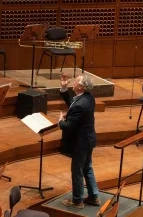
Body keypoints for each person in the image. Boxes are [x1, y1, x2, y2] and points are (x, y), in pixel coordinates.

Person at [58, 73, 100, 208]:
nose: (73, 83)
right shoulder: (88, 98)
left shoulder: (81, 104)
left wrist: (60, 122)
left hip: (80, 143)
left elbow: (69, 126)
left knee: (77, 171)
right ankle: (93, 197)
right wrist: (64, 89)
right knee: (87, 168)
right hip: (88, 140)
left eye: (76, 82)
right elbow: (73, 104)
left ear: (82, 87)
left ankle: (77, 200)